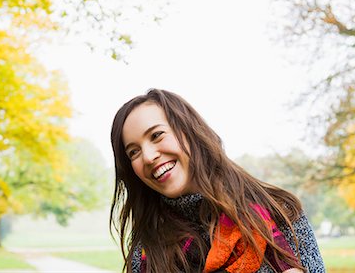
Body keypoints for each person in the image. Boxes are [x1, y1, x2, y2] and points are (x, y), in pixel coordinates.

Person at [110, 88, 326, 273]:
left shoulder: (279, 211)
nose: (148, 156)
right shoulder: (147, 249)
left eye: (156, 135)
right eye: (134, 152)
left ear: (188, 130)